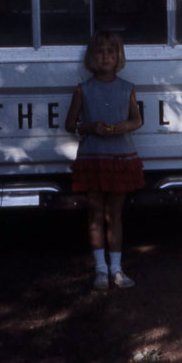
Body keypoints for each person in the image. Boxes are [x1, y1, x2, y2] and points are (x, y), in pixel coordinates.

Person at [65, 31, 144, 290]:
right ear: (92, 57)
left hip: (119, 158)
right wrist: (90, 126)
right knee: (96, 215)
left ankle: (117, 269)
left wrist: (125, 126)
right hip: (93, 159)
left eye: (111, 52)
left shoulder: (127, 88)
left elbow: (137, 120)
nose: (106, 57)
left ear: (118, 57)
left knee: (115, 216)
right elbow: (69, 123)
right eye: (100, 52)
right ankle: (100, 270)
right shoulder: (83, 89)